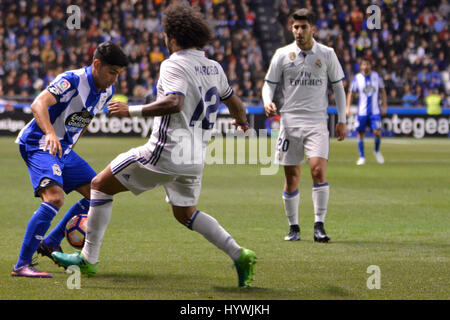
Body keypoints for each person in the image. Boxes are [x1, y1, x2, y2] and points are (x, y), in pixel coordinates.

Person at [52, 3, 257, 288]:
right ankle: (239, 254)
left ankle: (88, 259)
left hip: (166, 152)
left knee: (99, 185)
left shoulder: (174, 62)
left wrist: (131, 110)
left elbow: (175, 102)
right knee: (185, 214)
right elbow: (234, 102)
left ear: (172, 37)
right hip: (195, 157)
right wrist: (242, 122)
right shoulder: (214, 67)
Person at [12, 41, 128, 278]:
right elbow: (38, 103)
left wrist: (70, 146)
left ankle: (51, 242)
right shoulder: (72, 80)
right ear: (97, 64)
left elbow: (83, 120)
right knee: (55, 198)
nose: (114, 79)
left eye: (118, 74)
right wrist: (51, 134)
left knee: (99, 191)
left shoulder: (106, 92)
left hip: (63, 149)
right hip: (39, 142)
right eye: (112, 72)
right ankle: (22, 264)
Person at [262, 8, 347, 243]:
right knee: (291, 178)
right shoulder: (282, 54)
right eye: (295, 27)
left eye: (303, 27)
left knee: (318, 171)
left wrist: (342, 120)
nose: (298, 31)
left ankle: (319, 225)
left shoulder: (327, 54)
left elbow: (338, 87)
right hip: (289, 122)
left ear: (313, 29)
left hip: (317, 121)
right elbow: (269, 84)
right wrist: (267, 101)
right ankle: (294, 227)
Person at [346, 58, 387, 165]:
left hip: (375, 111)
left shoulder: (377, 77)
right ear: (361, 66)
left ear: (370, 65)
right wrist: (347, 107)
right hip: (362, 112)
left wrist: (384, 106)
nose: (365, 66)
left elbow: (383, 91)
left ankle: (376, 151)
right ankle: (362, 157)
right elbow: (350, 93)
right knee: (360, 133)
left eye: (367, 64)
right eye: (363, 64)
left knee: (377, 132)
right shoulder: (357, 78)